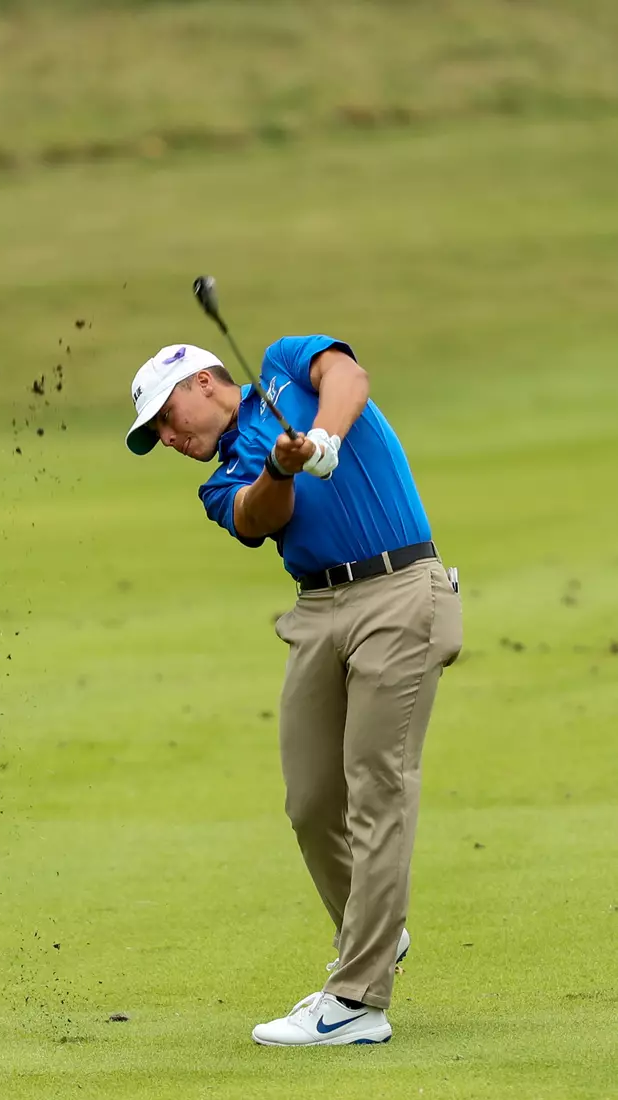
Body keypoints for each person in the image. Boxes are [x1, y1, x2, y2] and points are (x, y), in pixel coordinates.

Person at [125, 337, 462, 1046]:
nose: (168, 437)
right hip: (317, 613)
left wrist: (322, 435)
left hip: (399, 591)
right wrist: (282, 465)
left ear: (207, 380)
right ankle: (375, 931)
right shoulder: (221, 479)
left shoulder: (282, 364)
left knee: (376, 786)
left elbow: (349, 374)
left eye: (166, 414)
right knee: (310, 802)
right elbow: (258, 516)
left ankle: (358, 1001)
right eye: (155, 431)